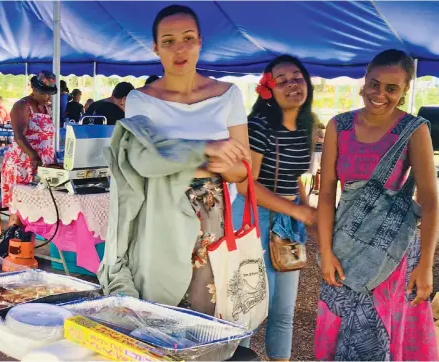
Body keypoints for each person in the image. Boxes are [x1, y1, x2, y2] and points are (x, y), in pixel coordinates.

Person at [98, 5, 250, 317]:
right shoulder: (142, 99)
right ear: (155, 47)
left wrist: (199, 161)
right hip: (161, 213)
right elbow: (143, 163)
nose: (179, 49)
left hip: (215, 219)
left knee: (209, 308)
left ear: (200, 42)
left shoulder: (229, 94)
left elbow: (241, 169)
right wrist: (208, 150)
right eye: (168, 41)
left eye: (188, 38)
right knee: (161, 305)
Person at [315, 49, 439, 361]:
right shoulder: (339, 126)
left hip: (390, 254)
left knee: (379, 330)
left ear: (405, 90)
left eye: (391, 88)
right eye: (374, 84)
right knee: (338, 324)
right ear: (364, 81)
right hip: (344, 245)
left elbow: (431, 201)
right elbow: (327, 193)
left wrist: (425, 266)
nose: (379, 94)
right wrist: (326, 252)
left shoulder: (414, 130)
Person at [230, 55, 318, 361]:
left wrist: (306, 208)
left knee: (284, 309)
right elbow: (246, 184)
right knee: (248, 306)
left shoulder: (308, 125)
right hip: (254, 219)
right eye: (282, 81)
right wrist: (295, 211)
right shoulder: (259, 125)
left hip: (287, 222)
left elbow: (295, 178)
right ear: (268, 89)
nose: (292, 85)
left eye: (297, 77)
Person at [1, 71, 57, 222]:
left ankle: (27, 244)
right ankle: (14, 242)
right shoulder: (22, 106)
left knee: (35, 212)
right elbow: (19, 136)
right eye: (45, 93)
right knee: (19, 210)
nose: (48, 97)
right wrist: (34, 156)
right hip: (22, 163)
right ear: (35, 89)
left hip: (40, 164)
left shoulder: (46, 108)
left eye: (50, 94)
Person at [309, 114, 325, 194]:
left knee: (316, 170)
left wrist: (316, 139)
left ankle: (317, 187)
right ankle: (316, 187)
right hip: (316, 152)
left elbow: (322, 140)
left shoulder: (318, 130)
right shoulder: (312, 130)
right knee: (315, 171)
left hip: (318, 152)